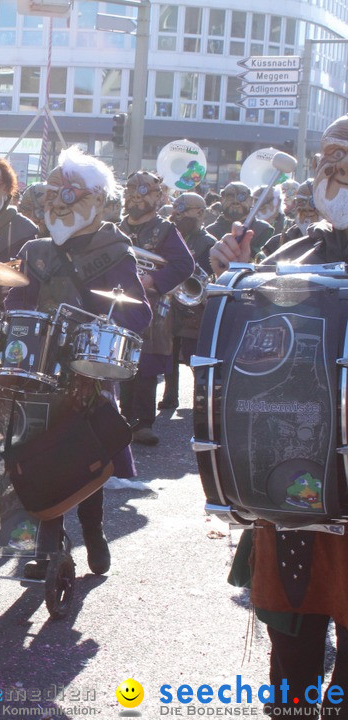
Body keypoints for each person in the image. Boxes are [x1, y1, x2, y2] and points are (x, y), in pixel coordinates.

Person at [212, 115, 348, 716]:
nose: (335, 171)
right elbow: (239, 350)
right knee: (290, 659)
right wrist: (230, 276)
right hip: (295, 475)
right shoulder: (293, 249)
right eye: (329, 159)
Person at [4, 147, 152, 578]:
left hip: (87, 367)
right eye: (52, 191)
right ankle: (48, 545)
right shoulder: (34, 249)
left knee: (81, 450)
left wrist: (103, 312)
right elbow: (18, 298)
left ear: (98, 199)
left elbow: (139, 312)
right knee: (37, 453)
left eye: (70, 191)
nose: (58, 200)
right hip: (37, 367)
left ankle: (94, 531)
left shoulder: (115, 250)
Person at [116, 171, 194, 446]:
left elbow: (185, 265)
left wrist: (152, 280)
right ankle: (124, 419)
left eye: (143, 192)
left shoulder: (166, 230)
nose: (135, 197)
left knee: (146, 365)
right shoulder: (118, 228)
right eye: (130, 191)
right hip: (120, 303)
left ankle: (143, 423)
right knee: (120, 361)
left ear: (157, 197)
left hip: (153, 306)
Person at [159, 192, 216, 411]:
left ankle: (201, 397)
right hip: (172, 303)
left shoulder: (209, 242)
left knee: (194, 354)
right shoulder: (170, 238)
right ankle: (170, 395)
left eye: (183, 210)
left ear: (200, 212)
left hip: (196, 308)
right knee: (168, 353)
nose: (177, 214)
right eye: (176, 209)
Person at [204, 181, 275, 261]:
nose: (236, 201)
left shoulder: (264, 230)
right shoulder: (210, 232)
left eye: (241, 197)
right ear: (221, 200)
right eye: (230, 197)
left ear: (251, 201)